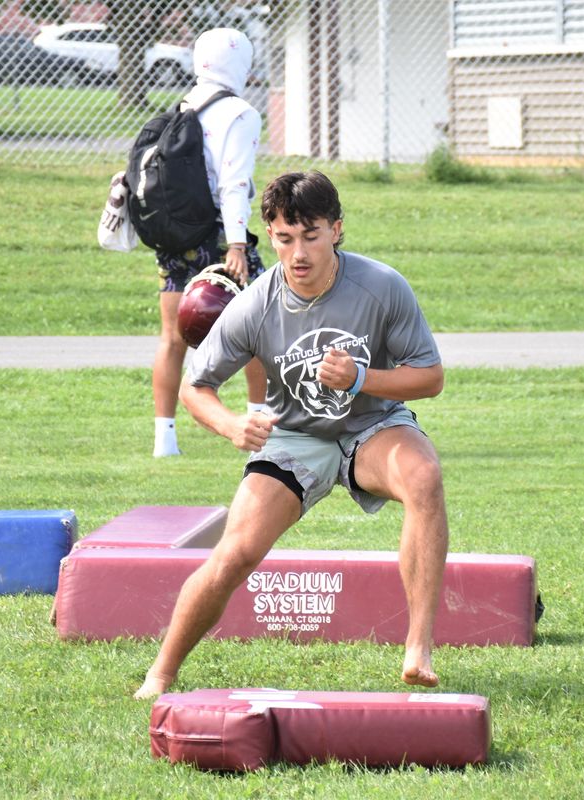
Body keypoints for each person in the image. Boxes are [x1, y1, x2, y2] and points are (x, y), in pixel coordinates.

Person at [134, 170, 449, 699]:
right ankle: (160, 673)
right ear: (272, 236)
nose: (297, 252)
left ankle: (418, 648)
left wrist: (362, 379)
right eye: (283, 238)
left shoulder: (382, 287)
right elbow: (196, 388)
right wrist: (233, 424)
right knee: (235, 554)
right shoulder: (256, 303)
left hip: (371, 425)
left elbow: (430, 377)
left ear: (337, 230)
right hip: (295, 435)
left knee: (424, 478)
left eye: (311, 235)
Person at [152, 27, 268, 457]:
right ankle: (261, 423)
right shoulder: (240, 112)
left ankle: (165, 439)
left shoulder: (182, 108)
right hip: (221, 236)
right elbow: (234, 184)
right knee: (258, 331)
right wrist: (236, 246)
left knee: (172, 337)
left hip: (175, 236)